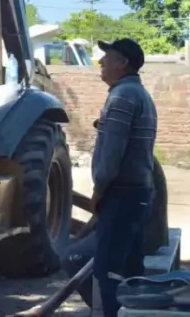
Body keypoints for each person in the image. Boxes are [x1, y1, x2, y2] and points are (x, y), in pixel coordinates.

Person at [90, 38, 157, 317]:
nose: (102, 62)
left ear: (123, 63)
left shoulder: (123, 96)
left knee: (109, 272)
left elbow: (112, 154)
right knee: (130, 271)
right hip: (136, 194)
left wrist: (99, 189)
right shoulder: (136, 94)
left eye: (108, 56)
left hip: (122, 195)